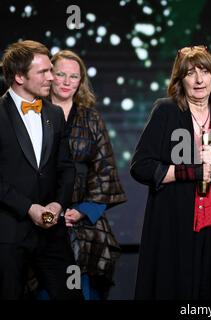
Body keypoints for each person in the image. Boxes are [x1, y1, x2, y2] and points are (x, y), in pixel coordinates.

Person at [131, 45, 211, 299]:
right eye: (190, 73)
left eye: (205, 71)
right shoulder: (165, 110)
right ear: (180, 81)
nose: (199, 80)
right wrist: (190, 172)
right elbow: (141, 167)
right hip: (173, 229)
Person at [0, 40, 82, 299]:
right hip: (8, 234)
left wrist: (58, 205)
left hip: (52, 233)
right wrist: (28, 208)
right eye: (44, 72)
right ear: (19, 76)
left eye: (51, 70)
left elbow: (66, 168)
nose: (52, 78)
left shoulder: (55, 114)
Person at [47, 50, 127, 300]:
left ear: (80, 81)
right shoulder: (31, 115)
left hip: (85, 220)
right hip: (41, 217)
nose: (67, 81)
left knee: (85, 291)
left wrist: (82, 210)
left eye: (74, 76)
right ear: (49, 75)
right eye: (61, 74)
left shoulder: (91, 119)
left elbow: (105, 171)